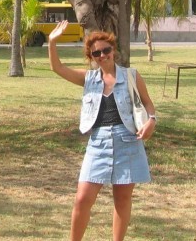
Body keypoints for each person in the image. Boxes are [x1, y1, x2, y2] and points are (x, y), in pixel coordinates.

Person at [48, 20, 157, 241]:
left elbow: (148, 105)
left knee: (123, 200)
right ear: (91, 57)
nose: (102, 55)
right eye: (96, 53)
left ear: (113, 50)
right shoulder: (88, 79)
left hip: (128, 141)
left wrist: (151, 121)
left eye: (106, 50)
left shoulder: (131, 76)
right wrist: (52, 42)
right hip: (98, 143)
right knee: (82, 199)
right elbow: (57, 68)